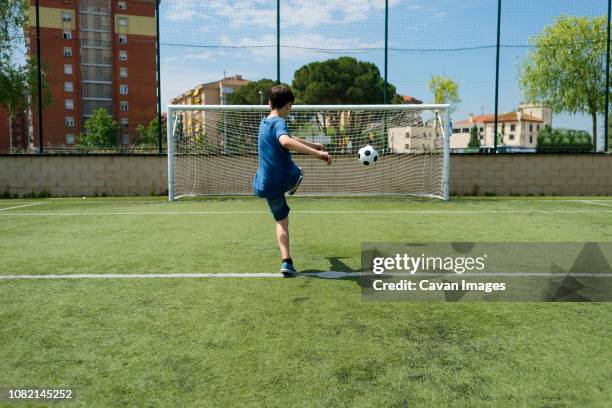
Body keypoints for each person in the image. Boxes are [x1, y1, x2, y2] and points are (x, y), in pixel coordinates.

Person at [253, 85, 332, 277]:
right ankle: (295, 180)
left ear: (269, 103)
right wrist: (317, 153)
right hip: (283, 177)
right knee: (297, 171)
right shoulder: (280, 122)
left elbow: (288, 136)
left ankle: (286, 262)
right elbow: (285, 141)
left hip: (265, 184)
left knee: (281, 221)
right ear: (289, 106)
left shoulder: (264, 123)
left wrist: (311, 143)